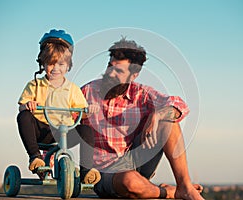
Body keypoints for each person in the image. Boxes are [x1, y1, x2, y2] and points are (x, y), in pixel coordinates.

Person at [80, 38, 204, 199]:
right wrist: (49, 158)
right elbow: (62, 123)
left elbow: (180, 106)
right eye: (109, 66)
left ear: (134, 75)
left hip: (135, 159)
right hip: (104, 172)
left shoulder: (141, 94)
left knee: (168, 122)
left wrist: (157, 115)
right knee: (130, 182)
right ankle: (169, 192)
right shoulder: (87, 92)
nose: (110, 73)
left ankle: (185, 186)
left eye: (118, 71)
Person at [16, 29, 92, 178]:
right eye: (51, 63)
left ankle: (86, 171)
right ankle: (35, 157)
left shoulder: (72, 89)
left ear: (68, 66)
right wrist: (28, 105)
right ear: (43, 63)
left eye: (61, 64)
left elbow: (84, 111)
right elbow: (21, 106)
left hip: (64, 132)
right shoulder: (35, 85)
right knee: (23, 116)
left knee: (86, 131)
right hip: (42, 131)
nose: (56, 68)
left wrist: (89, 110)